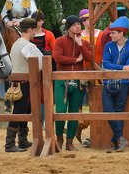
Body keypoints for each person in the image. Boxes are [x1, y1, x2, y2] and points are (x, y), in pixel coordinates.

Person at [52, 15, 92, 151]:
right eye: (75, 25)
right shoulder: (60, 41)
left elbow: (89, 58)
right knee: (61, 111)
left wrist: (81, 45)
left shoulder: (84, 43)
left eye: (79, 24)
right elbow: (57, 58)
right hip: (62, 80)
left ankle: (70, 141)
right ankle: (59, 139)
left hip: (78, 81)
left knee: (74, 112)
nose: (78, 27)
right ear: (69, 27)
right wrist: (75, 61)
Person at [6, 18, 43, 153]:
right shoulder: (28, 46)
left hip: (16, 83)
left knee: (23, 111)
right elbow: (40, 64)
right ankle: (9, 143)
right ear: (31, 29)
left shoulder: (16, 44)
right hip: (25, 84)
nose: (35, 32)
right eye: (35, 30)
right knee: (19, 112)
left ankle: (22, 140)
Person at [100, 16, 129, 152]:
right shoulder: (108, 46)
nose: (110, 34)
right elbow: (106, 64)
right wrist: (121, 68)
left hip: (124, 83)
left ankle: (115, 141)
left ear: (121, 33)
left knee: (119, 111)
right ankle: (120, 138)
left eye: (113, 32)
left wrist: (116, 68)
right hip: (108, 82)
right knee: (108, 111)